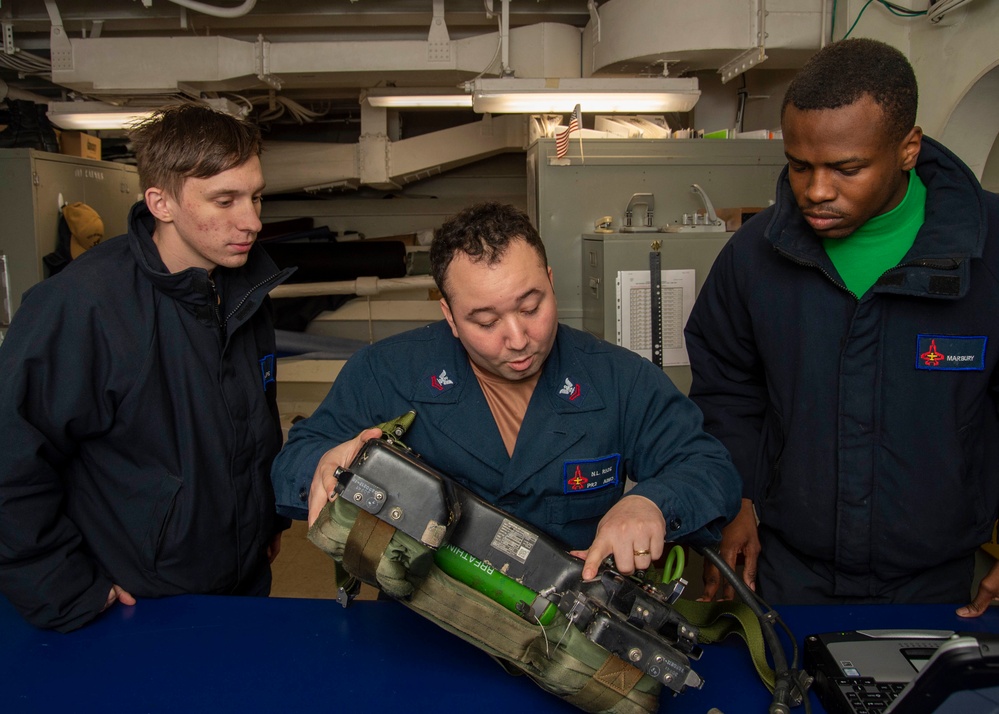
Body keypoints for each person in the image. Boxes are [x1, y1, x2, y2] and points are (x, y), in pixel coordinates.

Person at [685, 38, 999, 615]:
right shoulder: (755, 256)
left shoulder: (990, 251)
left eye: (846, 168)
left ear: (908, 148)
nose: (816, 190)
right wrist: (739, 499)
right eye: (799, 166)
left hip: (939, 579)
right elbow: (729, 390)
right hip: (789, 569)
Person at [272, 201, 741, 580]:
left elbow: (710, 468)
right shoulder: (385, 373)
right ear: (450, 317)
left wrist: (651, 503)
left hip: (568, 642)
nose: (518, 338)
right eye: (486, 320)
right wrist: (326, 466)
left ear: (551, 284)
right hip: (420, 624)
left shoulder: (620, 380)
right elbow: (294, 462)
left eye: (531, 306)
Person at [0, 103, 295, 632]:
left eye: (255, 197)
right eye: (224, 200)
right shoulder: (80, 307)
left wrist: (263, 518)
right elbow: (11, 462)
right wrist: (65, 590)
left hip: (242, 583)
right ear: (160, 202)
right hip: (137, 603)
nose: (251, 221)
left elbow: (252, 415)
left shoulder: (244, 288)